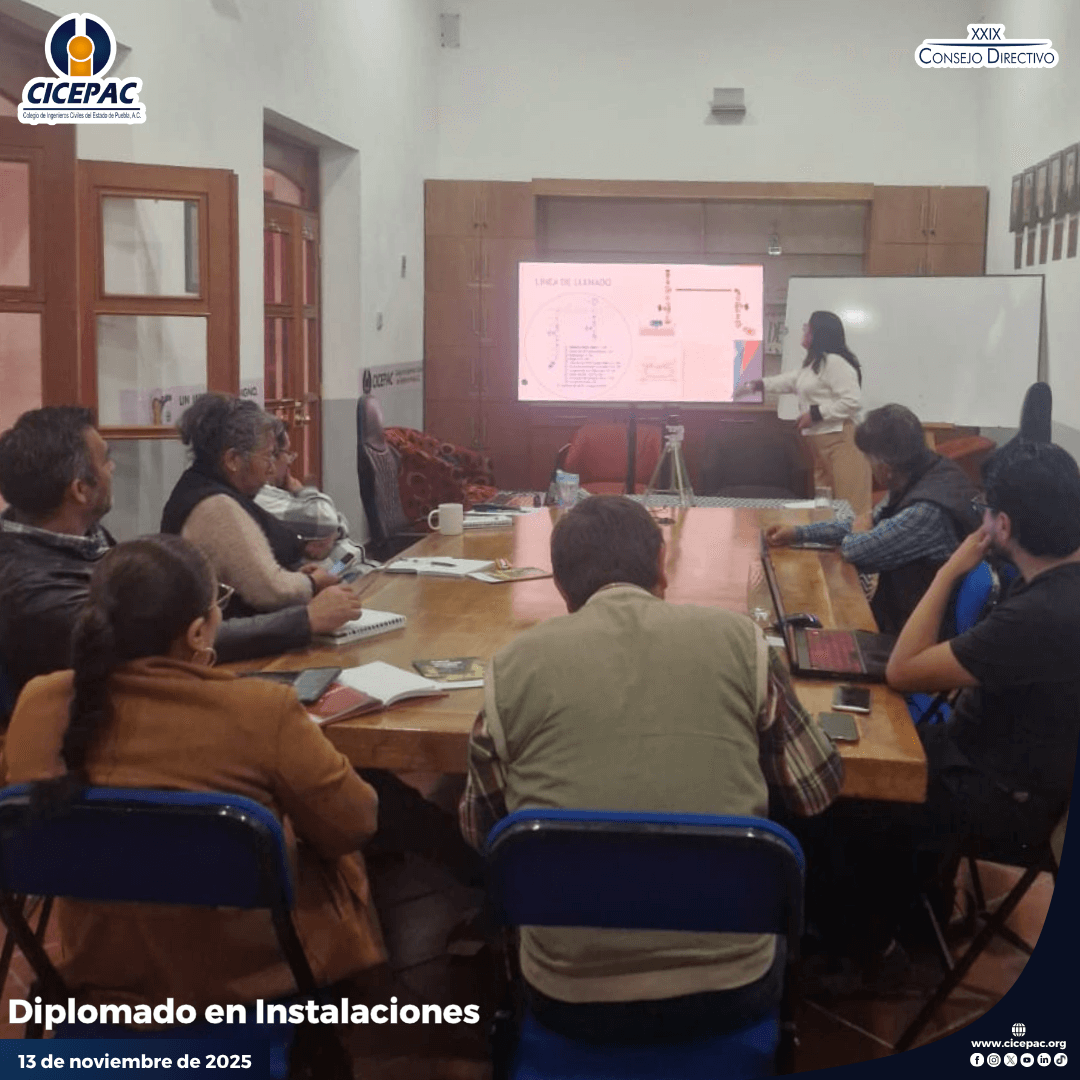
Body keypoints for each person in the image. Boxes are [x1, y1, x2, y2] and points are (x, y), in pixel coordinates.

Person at [459, 495, 842, 1044]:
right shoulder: (741, 641)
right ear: (663, 564)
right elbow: (814, 790)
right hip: (732, 986)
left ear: (561, 586)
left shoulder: (510, 668)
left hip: (568, 996)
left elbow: (483, 833)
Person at [2, 534, 384, 1010]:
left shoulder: (38, 702)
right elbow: (355, 824)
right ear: (198, 633)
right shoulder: (261, 710)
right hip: (250, 976)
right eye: (218, 605)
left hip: (99, 972)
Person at [0, 407, 362, 722]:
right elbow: (164, 640)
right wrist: (305, 620)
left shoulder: (78, 534)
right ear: (80, 490)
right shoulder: (31, 591)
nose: (113, 468)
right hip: (112, 736)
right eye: (106, 460)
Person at [887, 439, 1080, 861]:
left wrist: (948, 571)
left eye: (985, 509)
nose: (981, 520)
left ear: (1003, 525)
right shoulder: (1055, 581)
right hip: (996, 765)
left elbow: (902, 671)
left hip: (998, 796)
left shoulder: (1039, 614)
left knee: (844, 793)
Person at [764, 404, 980, 634]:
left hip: (916, 634)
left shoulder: (926, 510)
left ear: (885, 467)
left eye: (868, 460)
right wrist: (799, 533)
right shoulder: (921, 470)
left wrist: (861, 530)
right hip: (904, 615)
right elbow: (866, 524)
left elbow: (857, 550)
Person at [161, 394, 342, 614]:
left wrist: (299, 576)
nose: (272, 469)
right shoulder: (215, 506)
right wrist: (312, 583)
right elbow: (271, 590)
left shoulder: (210, 488)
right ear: (233, 460)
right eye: (268, 456)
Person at [735, 310, 872, 517]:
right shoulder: (814, 365)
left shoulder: (835, 362)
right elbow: (789, 380)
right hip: (820, 444)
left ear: (819, 334)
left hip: (842, 441)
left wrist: (815, 414)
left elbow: (852, 401)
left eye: (808, 328)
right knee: (826, 506)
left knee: (851, 506)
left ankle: (857, 538)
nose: (804, 331)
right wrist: (756, 385)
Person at [255, 417, 366, 570]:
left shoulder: (277, 492)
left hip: (346, 563)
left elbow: (336, 520)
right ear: (272, 456)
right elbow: (326, 518)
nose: (290, 461)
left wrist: (334, 532)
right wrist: (303, 491)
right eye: (288, 453)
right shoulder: (261, 498)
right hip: (335, 572)